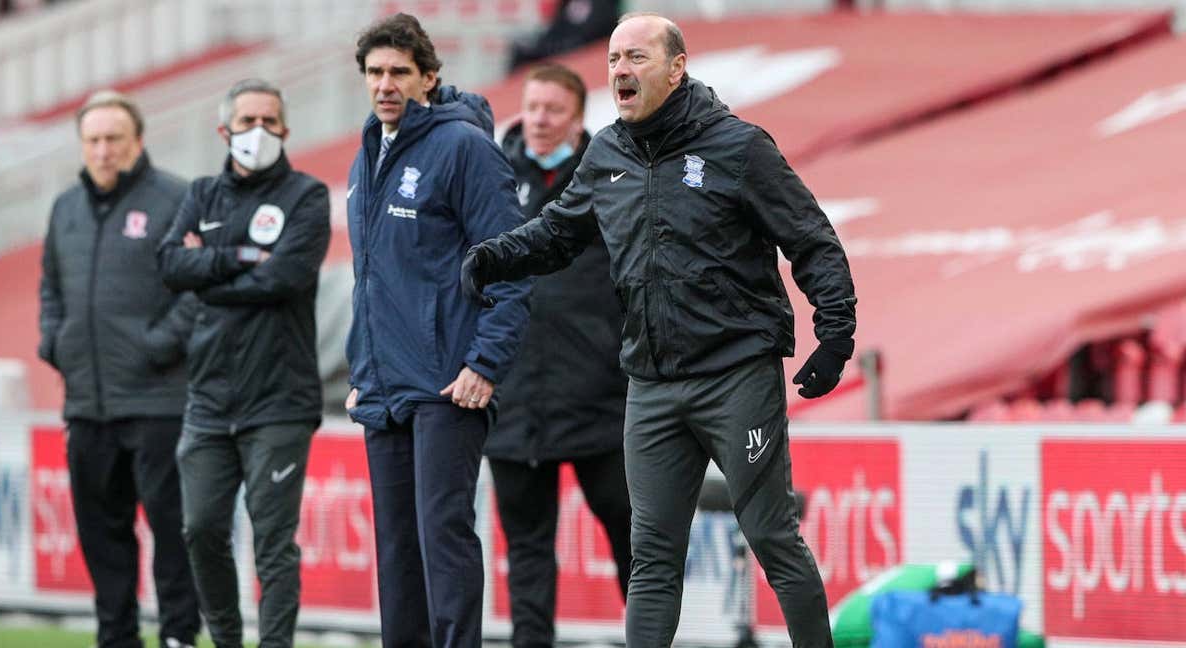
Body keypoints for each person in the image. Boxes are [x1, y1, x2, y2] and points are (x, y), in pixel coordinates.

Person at [461, 13, 857, 648]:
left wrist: (834, 331)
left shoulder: (738, 146)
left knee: (772, 536)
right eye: (615, 59)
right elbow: (560, 232)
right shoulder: (606, 153)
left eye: (637, 58)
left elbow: (811, 240)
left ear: (677, 68)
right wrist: (495, 256)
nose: (621, 69)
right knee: (651, 557)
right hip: (649, 384)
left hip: (736, 375)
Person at [343, 14, 531, 648]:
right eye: (375, 72)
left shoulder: (466, 148)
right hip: (385, 383)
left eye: (399, 71)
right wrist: (362, 366)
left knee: (441, 538)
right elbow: (373, 276)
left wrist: (484, 364)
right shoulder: (368, 150)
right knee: (397, 552)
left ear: (428, 75)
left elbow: (512, 267)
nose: (386, 84)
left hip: (450, 383)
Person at [157, 78, 330, 648]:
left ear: (285, 127)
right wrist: (237, 259)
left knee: (273, 541)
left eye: (269, 120)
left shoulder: (305, 195)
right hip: (208, 400)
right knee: (200, 529)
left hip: (278, 400)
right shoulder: (203, 192)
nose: (258, 131)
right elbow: (168, 264)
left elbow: (285, 277)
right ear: (223, 130)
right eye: (247, 120)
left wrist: (208, 271)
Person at [38, 90, 200, 648]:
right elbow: (51, 288)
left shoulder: (175, 199)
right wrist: (54, 343)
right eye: (93, 140)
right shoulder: (64, 208)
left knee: (173, 535)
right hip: (87, 405)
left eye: (113, 139)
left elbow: (197, 290)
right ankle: (116, 639)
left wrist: (159, 344)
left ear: (137, 141)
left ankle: (178, 636)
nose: (103, 151)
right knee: (101, 537)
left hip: (159, 404)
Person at [486, 62, 632, 648]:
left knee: (635, 543)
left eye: (554, 110)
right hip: (514, 403)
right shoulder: (490, 180)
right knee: (527, 554)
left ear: (578, 119)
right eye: (533, 107)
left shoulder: (612, 179)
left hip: (602, 402)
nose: (540, 120)